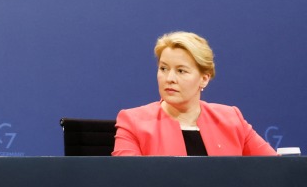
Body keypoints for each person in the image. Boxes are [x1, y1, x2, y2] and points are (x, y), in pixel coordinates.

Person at [112, 31, 274, 156]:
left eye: (181, 71)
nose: (170, 78)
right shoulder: (132, 122)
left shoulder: (231, 119)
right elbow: (127, 184)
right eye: (163, 68)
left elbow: (278, 168)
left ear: (204, 78)